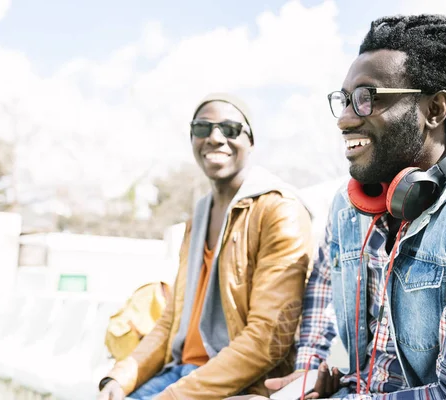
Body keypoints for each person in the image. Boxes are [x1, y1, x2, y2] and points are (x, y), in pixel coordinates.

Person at [264, 14, 446, 400]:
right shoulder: (348, 205)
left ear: (434, 109)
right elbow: (321, 289)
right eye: (345, 100)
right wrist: (306, 375)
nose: (345, 119)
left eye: (367, 99)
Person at [97, 93, 314, 400]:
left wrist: (175, 396)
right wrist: (119, 379)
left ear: (250, 141)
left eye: (230, 129)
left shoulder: (279, 210)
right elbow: (172, 320)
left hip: (238, 385)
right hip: (178, 372)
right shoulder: (196, 220)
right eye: (202, 128)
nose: (214, 137)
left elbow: (268, 337)